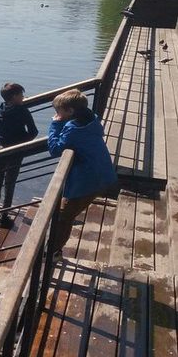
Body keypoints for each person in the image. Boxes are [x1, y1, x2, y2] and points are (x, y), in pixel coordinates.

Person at [46, 89, 117, 257]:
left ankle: (52, 252)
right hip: (101, 175)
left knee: (63, 216)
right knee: (63, 214)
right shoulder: (90, 121)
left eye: (59, 112)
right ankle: (54, 248)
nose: (57, 114)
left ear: (70, 111)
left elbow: (55, 149)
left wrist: (55, 125)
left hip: (87, 181)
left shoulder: (73, 130)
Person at [0, 82, 38, 228]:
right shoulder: (22, 111)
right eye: (21, 95)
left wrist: (0, 136)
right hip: (15, 151)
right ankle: (5, 214)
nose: (23, 97)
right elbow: (33, 132)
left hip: (0, 149)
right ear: (14, 96)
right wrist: (22, 142)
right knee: (10, 182)